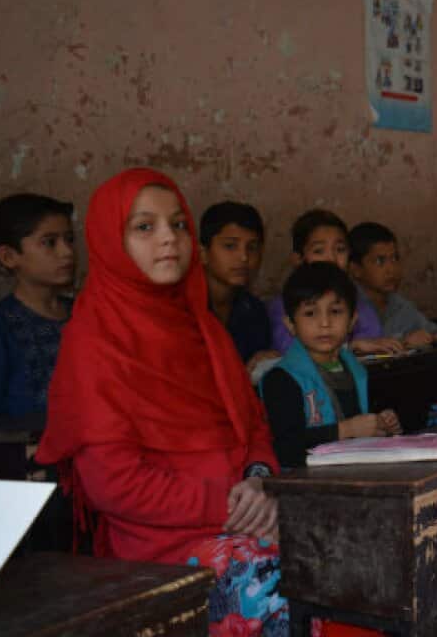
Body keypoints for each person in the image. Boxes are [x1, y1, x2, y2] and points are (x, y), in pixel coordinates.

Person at [35, 168, 287, 635]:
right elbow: (115, 484)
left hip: (248, 514)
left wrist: (258, 480)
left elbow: (254, 427)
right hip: (160, 547)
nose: (169, 238)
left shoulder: (203, 328)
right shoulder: (95, 342)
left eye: (178, 224)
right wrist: (231, 509)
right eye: (144, 227)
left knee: (347, 558)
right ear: (111, 242)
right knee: (285, 586)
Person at [260, 262, 401, 468]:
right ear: (290, 324)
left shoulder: (356, 369)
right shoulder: (281, 379)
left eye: (335, 311)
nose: (324, 323)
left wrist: (382, 423)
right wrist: (346, 430)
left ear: (352, 321)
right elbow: (285, 448)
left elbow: (363, 423)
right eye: (310, 313)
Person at [264, 209, 400, 356]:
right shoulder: (283, 307)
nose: (332, 259)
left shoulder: (359, 306)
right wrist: (352, 348)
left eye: (340, 250)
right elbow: (290, 352)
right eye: (319, 251)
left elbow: (374, 344)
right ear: (298, 259)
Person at [0, 193, 75, 417]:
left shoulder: (87, 314)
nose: (67, 252)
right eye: (49, 242)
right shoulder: (0, 328)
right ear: (8, 257)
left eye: (69, 240)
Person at [347, 222, 437, 347]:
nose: (391, 269)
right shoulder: (348, 306)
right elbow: (345, 350)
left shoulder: (400, 306)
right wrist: (403, 343)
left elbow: (432, 332)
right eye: (380, 261)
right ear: (355, 269)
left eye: (394, 258)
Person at [199, 201, 279, 370]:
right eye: (230, 246)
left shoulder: (254, 311)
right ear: (203, 253)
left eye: (252, 247)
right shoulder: (183, 309)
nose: (243, 257)